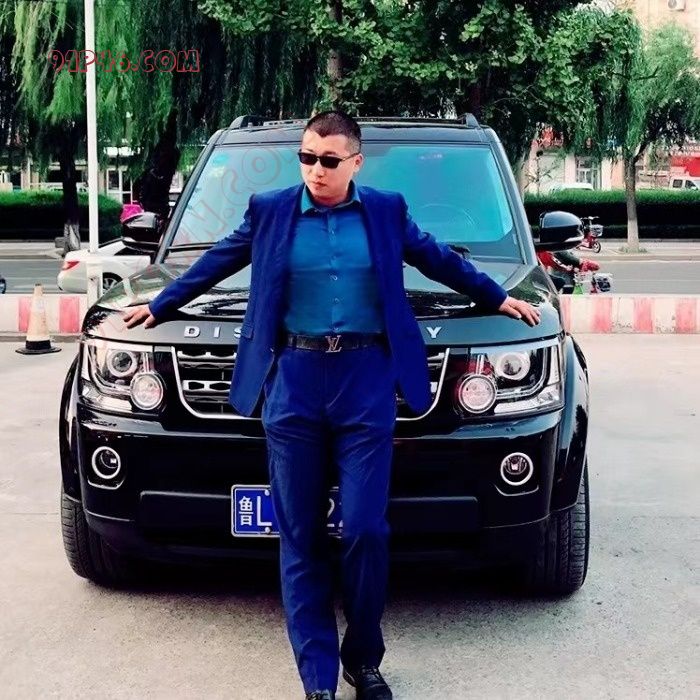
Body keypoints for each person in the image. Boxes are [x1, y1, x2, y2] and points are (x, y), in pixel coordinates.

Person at [123, 111, 540, 700]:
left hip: (364, 381)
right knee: (299, 536)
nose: (314, 170)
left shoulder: (385, 211)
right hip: (294, 381)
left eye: (327, 160)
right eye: (306, 157)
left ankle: (363, 660)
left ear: (355, 163)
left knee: (366, 528)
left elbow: (438, 259)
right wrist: (160, 305)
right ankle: (317, 678)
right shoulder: (271, 210)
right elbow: (217, 261)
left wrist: (498, 298)